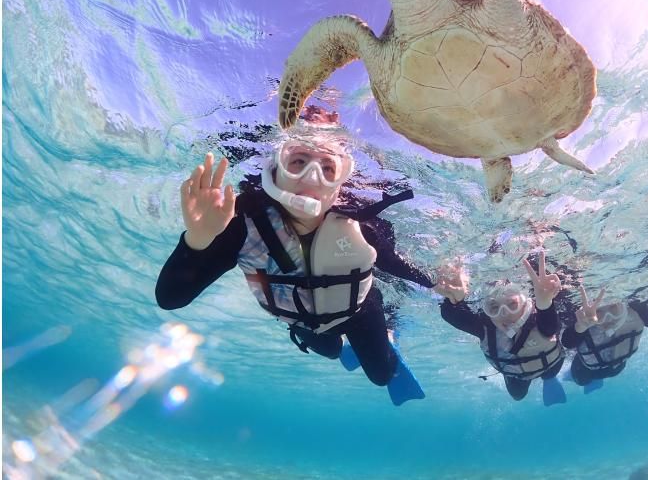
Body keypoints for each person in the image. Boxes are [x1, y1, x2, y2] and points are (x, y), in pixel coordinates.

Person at [155, 125, 434, 405]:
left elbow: (395, 265)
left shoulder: (364, 225)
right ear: (273, 171)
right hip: (303, 322)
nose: (312, 177)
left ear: (339, 185)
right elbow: (170, 298)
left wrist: (437, 283)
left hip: (360, 312)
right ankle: (343, 350)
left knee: (382, 377)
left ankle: (388, 334)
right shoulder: (240, 224)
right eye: (298, 162)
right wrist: (198, 239)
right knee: (332, 351)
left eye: (328, 168)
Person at [433, 252, 568, 404]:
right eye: (493, 307)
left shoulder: (540, 320)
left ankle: (549, 381)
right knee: (517, 395)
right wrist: (455, 299)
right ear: (486, 311)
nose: (504, 314)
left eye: (512, 305)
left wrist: (545, 303)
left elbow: (550, 325)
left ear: (525, 303)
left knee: (549, 375)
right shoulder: (485, 327)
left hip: (550, 364)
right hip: (514, 374)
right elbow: (451, 315)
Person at [561, 287, 648, 392]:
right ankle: (573, 377)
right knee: (581, 380)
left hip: (615, 367)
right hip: (592, 369)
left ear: (622, 305)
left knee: (580, 377)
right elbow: (567, 342)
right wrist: (580, 327)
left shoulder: (637, 311)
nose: (608, 316)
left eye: (613, 308)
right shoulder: (586, 319)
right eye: (599, 312)